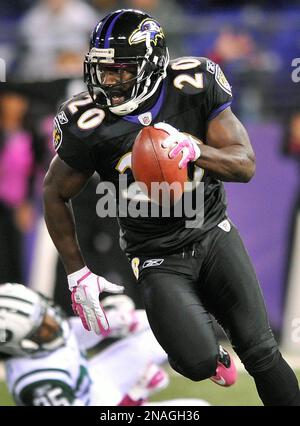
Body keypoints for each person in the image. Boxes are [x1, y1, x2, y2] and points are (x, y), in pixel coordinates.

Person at [42, 9, 300, 405]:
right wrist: (77, 273)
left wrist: (197, 149)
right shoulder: (87, 122)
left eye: (120, 71)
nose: (107, 82)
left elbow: (244, 164)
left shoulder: (192, 84)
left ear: (150, 65)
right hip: (154, 254)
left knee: (261, 351)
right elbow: (54, 191)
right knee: (195, 362)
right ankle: (203, 352)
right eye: (101, 70)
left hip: (213, 234)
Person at [0, 283, 211, 406]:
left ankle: (212, 354)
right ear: (22, 345)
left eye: (47, 313)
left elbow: (73, 333)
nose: (54, 322)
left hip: (93, 382)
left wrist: (116, 320)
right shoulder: (37, 385)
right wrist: (135, 395)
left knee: (158, 329)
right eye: (44, 327)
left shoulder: (45, 337)